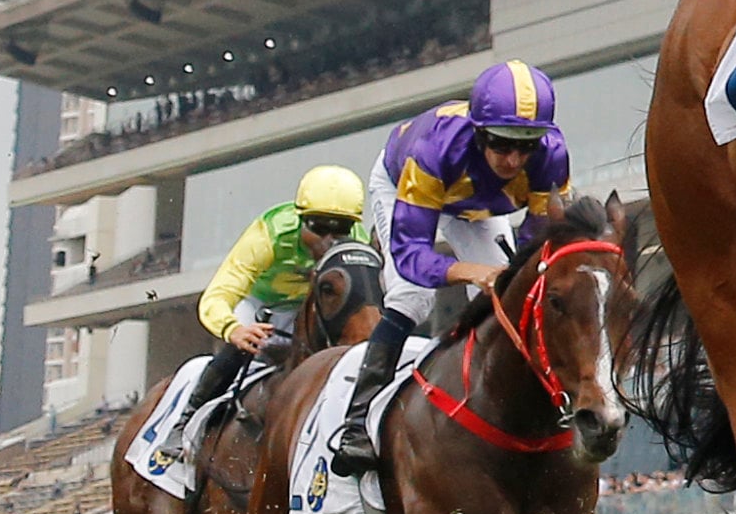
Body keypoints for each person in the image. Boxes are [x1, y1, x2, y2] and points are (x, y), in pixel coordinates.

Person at [331, 61, 573, 473]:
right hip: (404, 184)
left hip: (477, 208)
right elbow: (411, 256)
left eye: (526, 146)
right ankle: (355, 424)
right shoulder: (436, 149)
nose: (514, 159)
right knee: (412, 298)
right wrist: (469, 271)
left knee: (511, 298)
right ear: (479, 132)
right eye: (501, 144)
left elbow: (536, 245)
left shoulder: (552, 156)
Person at [160, 166, 378, 468]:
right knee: (241, 346)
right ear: (301, 219)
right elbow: (217, 296)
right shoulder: (270, 234)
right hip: (260, 304)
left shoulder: (358, 243)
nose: (329, 240)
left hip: (309, 305)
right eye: (318, 227)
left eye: (341, 228)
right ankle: (184, 422)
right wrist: (233, 329)